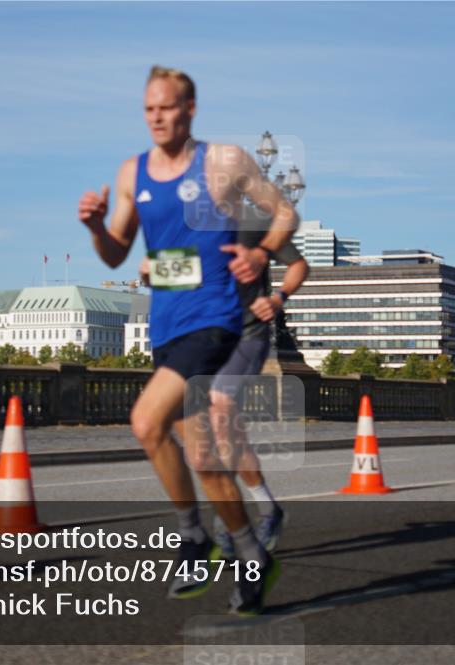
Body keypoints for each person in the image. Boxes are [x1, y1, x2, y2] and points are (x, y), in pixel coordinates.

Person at [77, 66, 298, 615]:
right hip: (167, 326)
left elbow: (286, 213)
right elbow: (118, 255)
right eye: (149, 108)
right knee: (202, 456)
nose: (157, 117)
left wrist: (261, 253)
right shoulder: (133, 171)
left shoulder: (223, 161)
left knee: (145, 421)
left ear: (190, 109)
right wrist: (96, 227)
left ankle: (193, 537)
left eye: (167, 108)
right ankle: (251, 556)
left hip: (217, 321)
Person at [206, 230, 309, 557]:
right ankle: (259, 510)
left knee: (220, 412)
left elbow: (298, 265)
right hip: (205, 337)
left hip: (247, 335)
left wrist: (278, 297)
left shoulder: (256, 224)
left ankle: (239, 517)